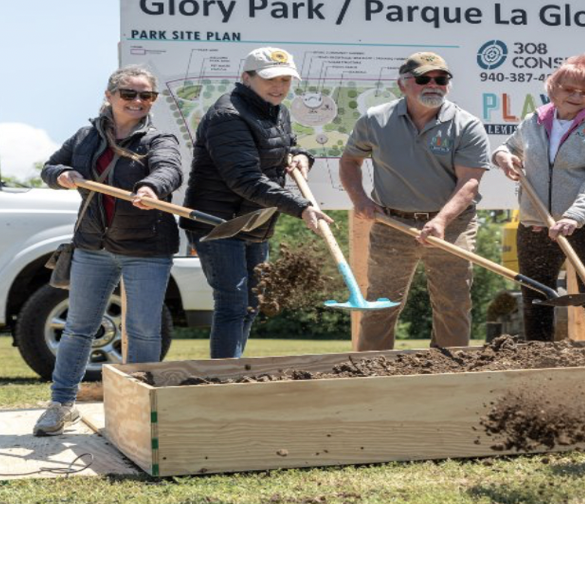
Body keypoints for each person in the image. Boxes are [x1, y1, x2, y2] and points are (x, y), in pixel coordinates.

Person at [34, 66, 182, 436]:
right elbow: (50, 167)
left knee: (144, 330)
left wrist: (151, 188)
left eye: (146, 96)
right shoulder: (86, 136)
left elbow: (170, 170)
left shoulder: (159, 138)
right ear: (109, 95)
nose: (138, 101)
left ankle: (140, 409)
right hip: (92, 246)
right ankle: (61, 405)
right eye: (129, 94)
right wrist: (61, 176)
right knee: (78, 329)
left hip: (147, 248)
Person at [182, 46, 332, 359]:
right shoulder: (229, 115)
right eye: (270, 80)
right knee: (233, 303)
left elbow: (285, 146)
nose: (279, 87)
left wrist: (302, 155)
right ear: (246, 78)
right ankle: (225, 380)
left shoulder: (276, 109)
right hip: (219, 224)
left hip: (256, 221)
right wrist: (300, 207)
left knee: (251, 305)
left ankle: (231, 371)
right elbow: (245, 179)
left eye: (286, 80)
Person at [339, 52, 492, 351]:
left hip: (452, 225)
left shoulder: (466, 125)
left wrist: (441, 221)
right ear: (403, 84)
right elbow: (349, 162)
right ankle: (371, 371)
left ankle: (449, 373)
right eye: (423, 79)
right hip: (391, 223)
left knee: (453, 303)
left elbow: (469, 183)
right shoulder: (375, 120)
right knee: (381, 304)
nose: (433, 84)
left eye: (441, 79)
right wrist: (360, 199)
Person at [492, 53, 585, 341]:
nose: (576, 96)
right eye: (569, 89)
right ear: (553, 87)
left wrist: (575, 216)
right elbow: (509, 147)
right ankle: (538, 358)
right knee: (536, 297)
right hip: (537, 225)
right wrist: (502, 156)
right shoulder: (533, 121)